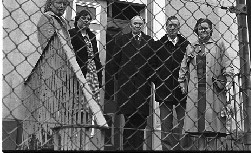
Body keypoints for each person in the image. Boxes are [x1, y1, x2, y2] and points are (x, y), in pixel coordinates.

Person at [178, 18, 233, 150]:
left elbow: (227, 64)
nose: (203, 30)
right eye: (200, 28)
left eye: (206, 27)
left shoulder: (218, 45)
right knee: (197, 128)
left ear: (211, 30)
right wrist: (182, 83)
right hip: (195, 91)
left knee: (213, 126)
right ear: (196, 30)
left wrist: (228, 79)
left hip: (213, 90)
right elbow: (183, 67)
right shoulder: (191, 46)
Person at [111, 15, 155, 151]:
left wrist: (148, 80)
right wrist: (123, 79)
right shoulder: (122, 39)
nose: (137, 26)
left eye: (140, 24)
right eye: (135, 23)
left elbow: (152, 64)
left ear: (143, 25)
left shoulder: (149, 41)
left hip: (143, 88)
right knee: (129, 122)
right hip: (127, 88)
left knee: (141, 122)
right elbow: (114, 64)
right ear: (130, 25)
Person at [153, 16, 189, 150]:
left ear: (179, 27)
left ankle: (183, 150)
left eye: (175, 25)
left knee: (184, 125)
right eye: (170, 25)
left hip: (182, 91)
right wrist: (157, 79)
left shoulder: (186, 45)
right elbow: (151, 65)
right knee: (166, 126)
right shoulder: (158, 45)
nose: (172, 28)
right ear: (166, 27)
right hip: (164, 90)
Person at [68, 10, 102, 103]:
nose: (86, 21)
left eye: (88, 19)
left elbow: (96, 55)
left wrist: (99, 72)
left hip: (92, 69)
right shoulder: (71, 33)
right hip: (79, 68)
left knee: (92, 98)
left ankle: (89, 116)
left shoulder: (92, 36)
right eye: (83, 18)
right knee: (79, 97)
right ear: (77, 19)